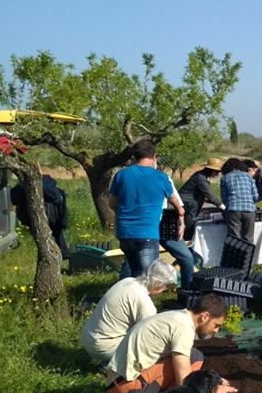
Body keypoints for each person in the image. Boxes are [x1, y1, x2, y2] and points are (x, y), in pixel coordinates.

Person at [104, 293, 236, 393]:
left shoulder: (178, 316)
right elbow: (184, 378)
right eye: (216, 325)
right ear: (205, 316)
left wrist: (213, 379)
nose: (216, 330)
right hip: (129, 391)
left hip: (118, 383)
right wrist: (211, 389)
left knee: (194, 355)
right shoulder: (183, 328)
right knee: (194, 360)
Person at [109, 140, 184, 277]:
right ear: (154, 156)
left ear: (134, 157)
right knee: (148, 278)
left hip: (125, 233)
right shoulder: (161, 177)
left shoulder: (121, 175)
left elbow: (112, 203)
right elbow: (174, 200)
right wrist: (180, 212)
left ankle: (127, 290)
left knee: (133, 274)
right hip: (147, 234)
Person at [81, 260, 178, 364]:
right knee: (155, 349)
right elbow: (149, 337)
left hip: (87, 337)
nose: (166, 290)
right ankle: (114, 364)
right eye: (167, 287)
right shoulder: (145, 303)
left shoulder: (128, 281)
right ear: (158, 284)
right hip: (102, 348)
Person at [10, 172, 70, 259]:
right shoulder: (48, 185)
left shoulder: (21, 186)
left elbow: (14, 200)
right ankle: (63, 254)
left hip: (35, 217)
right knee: (56, 234)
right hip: (53, 217)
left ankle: (53, 256)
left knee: (45, 238)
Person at [178, 158, 226, 239]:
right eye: (218, 172)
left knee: (188, 227)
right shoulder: (200, 178)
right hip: (188, 206)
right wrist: (225, 208)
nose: (218, 174)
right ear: (213, 171)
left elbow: (205, 195)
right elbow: (210, 195)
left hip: (189, 204)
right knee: (188, 229)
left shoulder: (201, 175)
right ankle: (185, 243)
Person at [219, 158, 258, 243]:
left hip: (233, 209)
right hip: (249, 209)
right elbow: (255, 196)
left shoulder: (224, 178)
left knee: (235, 238)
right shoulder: (248, 176)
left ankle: (235, 252)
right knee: (248, 238)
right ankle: (248, 252)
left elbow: (224, 199)